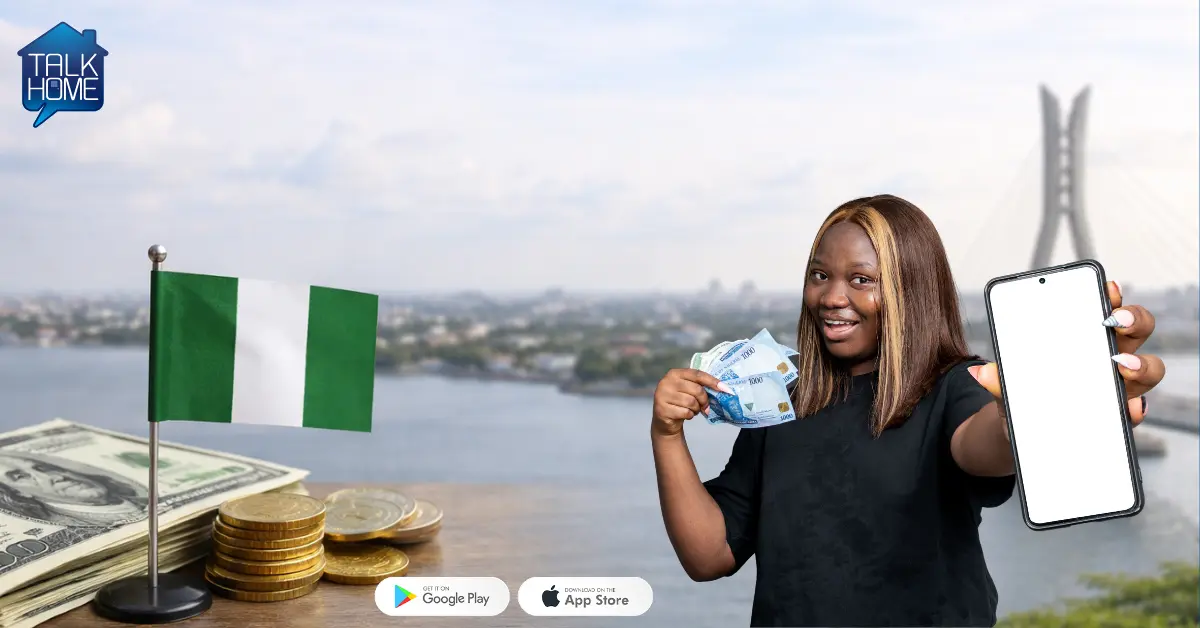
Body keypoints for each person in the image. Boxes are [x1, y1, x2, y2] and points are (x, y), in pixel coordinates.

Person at [650, 194, 1166, 627]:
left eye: (862, 280)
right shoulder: (787, 396)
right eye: (819, 274)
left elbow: (986, 445)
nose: (831, 296)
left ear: (911, 288)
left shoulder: (952, 387)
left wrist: (1032, 407)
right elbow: (708, 555)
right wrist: (667, 434)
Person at [0, 452, 149, 528]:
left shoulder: (144, 498)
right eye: (21, 476)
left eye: (44, 468)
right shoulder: (64, 522)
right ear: (19, 493)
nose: (56, 477)